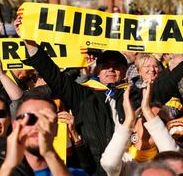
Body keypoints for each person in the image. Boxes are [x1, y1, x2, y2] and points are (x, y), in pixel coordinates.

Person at [16, 15, 128, 175]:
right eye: (105, 66)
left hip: (129, 168)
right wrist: (29, 41)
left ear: (124, 71)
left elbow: (165, 86)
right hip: (95, 170)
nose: (111, 69)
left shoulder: (134, 96)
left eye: (116, 66)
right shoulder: (83, 94)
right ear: (97, 70)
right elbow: (54, 75)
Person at [0, 92, 87, 176]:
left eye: (45, 119)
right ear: (15, 126)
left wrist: (49, 153)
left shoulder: (76, 174)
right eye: (29, 119)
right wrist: (8, 165)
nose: (37, 126)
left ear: (56, 129)